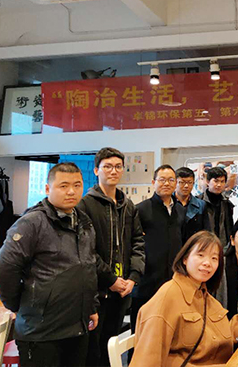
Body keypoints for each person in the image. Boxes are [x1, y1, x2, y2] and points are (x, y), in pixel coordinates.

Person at [0, 163, 98, 367]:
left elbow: (87, 267)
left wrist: (90, 306)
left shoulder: (83, 222)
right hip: (41, 333)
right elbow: (2, 272)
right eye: (63, 186)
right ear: (48, 189)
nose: (71, 191)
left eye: (77, 185)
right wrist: (19, 305)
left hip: (77, 328)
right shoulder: (31, 223)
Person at [129, 231, 238, 367]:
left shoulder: (203, 294)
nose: (207, 263)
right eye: (200, 255)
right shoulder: (167, 298)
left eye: (214, 258)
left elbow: (223, 334)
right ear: (185, 258)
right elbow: (146, 360)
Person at [78, 147, 145, 367]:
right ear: (96, 170)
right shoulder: (85, 205)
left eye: (117, 166)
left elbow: (138, 242)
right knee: (93, 352)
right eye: (107, 166)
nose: (113, 171)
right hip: (97, 292)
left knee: (112, 348)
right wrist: (110, 280)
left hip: (122, 290)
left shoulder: (128, 206)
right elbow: (86, 251)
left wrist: (133, 277)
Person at [131, 165, 184, 333]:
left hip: (172, 280)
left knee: (169, 329)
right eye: (162, 180)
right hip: (147, 280)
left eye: (171, 180)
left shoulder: (180, 210)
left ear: (175, 183)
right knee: (142, 331)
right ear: (153, 182)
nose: (166, 183)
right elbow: (133, 243)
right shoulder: (141, 209)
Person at [200, 166, 235, 248]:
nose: (219, 185)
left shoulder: (227, 203)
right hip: (204, 246)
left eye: (222, 181)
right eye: (216, 181)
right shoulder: (199, 202)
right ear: (208, 182)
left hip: (223, 247)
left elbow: (229, 227)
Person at [173, 166, 211, 241]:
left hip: (194, 245)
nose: (186, 186)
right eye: (182, 182)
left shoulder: (201, 205)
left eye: (189, 182)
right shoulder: (168, 203)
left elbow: (206, 231)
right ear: (175, 183)